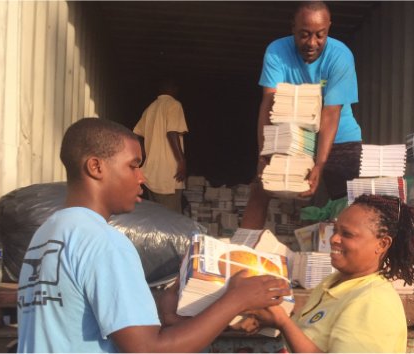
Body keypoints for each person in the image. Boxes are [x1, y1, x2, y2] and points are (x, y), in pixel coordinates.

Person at [17, 118, 290, 353]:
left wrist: (163, 310)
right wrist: (237, 299)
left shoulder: (47, 234)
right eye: (133, 165)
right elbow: (149, 349)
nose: (142, 178)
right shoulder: (105, 243)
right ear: (96, 167)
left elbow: (74, 319)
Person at [247, 194, 414, 352]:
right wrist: (275, 318)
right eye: (335, 231)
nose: (333, 239)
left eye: (347, 234)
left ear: (382, 244)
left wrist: (283, 323)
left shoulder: (373, 302)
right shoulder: (333, 283)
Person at [241, 1, 362, 229]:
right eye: (304, 35)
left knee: (351, 202)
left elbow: (331, 113)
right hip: (291, 137)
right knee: (261, 186)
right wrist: (263, 155)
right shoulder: (277, 51)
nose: (312, 43)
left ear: (329, 29)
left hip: (338, 135)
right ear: (293, 28)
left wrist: (319, 165)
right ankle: (242, 255)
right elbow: (269, 105)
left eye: (320, 35)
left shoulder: (341, 56)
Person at [133, 78, 188, 214]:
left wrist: (142, 157)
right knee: (171, 221)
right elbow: (172, 133)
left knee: (156, 220)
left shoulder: (150, 109)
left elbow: (136, 135)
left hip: (151, 174)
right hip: (169, 175)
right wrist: (181, 161)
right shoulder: (174, 105)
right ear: (173, 89)